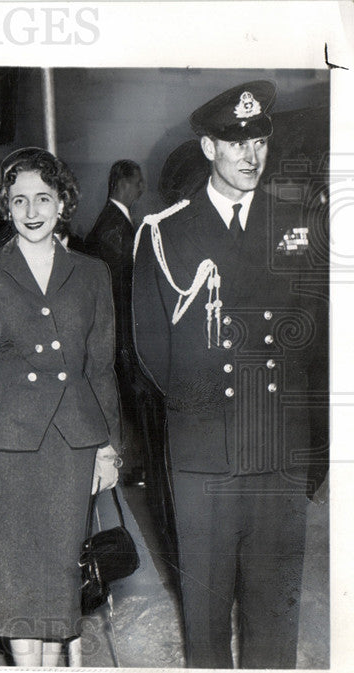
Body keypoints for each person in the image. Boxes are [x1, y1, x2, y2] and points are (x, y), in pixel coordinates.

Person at [132, 81, 324, 668]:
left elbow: (321, 344)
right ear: (209, 145)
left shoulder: (300, 227)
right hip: (205, 453)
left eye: (261, 141)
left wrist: (314, 448)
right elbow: (150, 349)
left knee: (274, 618)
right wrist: (207, 415)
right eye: (237, 142)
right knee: (206, 617)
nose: (251, 155)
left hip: (278, 451)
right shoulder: (165, 232)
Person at [0, 147, 121, 667]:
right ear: (6, 205)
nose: (31, 211)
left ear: (62, 203)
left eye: (43, 199)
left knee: (59, 569)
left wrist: (110, 447)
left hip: (73, 439)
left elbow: (101, 369)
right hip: (5, 440)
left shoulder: (92, 274)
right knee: (15, 575)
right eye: (20, 200)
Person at [83, 161, 153, 486]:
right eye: (138, 182)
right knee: (127, 401)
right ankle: (130, 467)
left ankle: (133, 464)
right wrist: (129, 343)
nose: (142, 189)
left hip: (121, 336)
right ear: (122, 184)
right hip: (121, 337)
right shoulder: (114, 229)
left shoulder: (115, 224)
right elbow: (121, 295)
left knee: (128, 401)